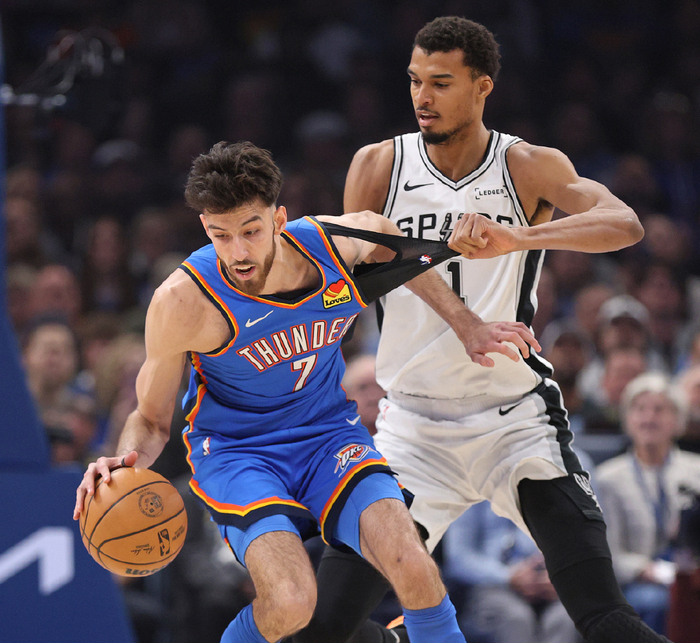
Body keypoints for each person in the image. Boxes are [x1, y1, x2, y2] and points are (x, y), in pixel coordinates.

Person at [289, 15, 673, 643]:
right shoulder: (378, 165)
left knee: (605, 619)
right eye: (415, 81)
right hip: (411, 431)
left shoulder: (525, 164)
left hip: (515, 423)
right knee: (321, 628)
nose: (422, 96)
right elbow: (366, 268)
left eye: (441, 83)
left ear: (482, 87)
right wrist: (460, 315)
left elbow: (624, 223)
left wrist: (517, 236)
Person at [73, 141, 539, 643]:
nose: (238, 252)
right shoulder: (183, 301)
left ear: (279, 219)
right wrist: (123, 462)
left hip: (327, 435)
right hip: (240, 453)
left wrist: (467, 324)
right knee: (292, 602)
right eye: (220, 235)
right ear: (205, 227)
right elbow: (151, 418)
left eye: (251, 231)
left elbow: (396, 244)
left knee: (413, 565)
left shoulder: (333, 245)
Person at [596, 373, 700, 636]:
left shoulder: (697, 471)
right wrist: (648, 570)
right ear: (627, 419)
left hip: (691, 576)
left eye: (659, 409)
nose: (649, 418)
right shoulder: (608, 479)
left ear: (678, 420)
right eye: (640, 409)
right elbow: (608, 554)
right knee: (656, 602)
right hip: (637, 581)